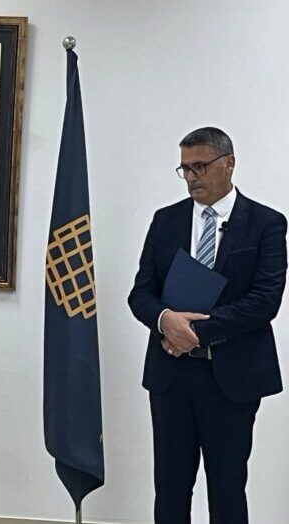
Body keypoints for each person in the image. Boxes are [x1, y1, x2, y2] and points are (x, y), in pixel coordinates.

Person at [128, 127, 287, 524]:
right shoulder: (165, 221)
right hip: (171, 375)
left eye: (199, 166)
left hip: (231, 377)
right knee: (170, 487)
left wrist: (193, 333)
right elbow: (141, 293)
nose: (191, 177)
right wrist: (164, 320)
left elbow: (264, 301)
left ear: (228, 163)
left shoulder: (266, 223)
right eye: (184, 169)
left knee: (227, 487)